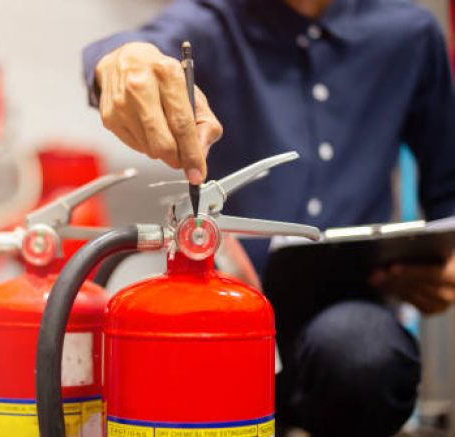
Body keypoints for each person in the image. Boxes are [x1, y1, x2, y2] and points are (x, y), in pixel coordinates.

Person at [83, 0, 455, 435]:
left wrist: (446, 264)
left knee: (366, 356)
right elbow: (132, 47)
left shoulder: (409, 35)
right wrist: (124, 60)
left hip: (351, 326)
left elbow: (447, 192)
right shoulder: (210, 23)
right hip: (220, 320)